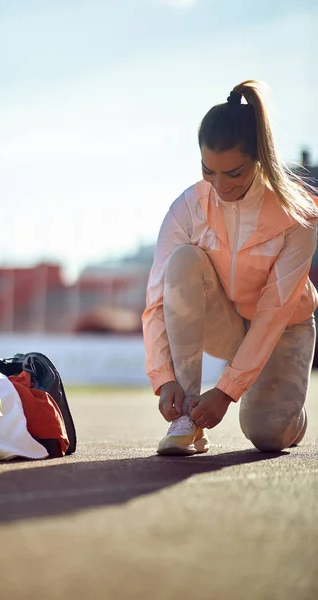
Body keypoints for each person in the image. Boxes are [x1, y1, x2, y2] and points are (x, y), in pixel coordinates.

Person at [142, 80, 318, 456]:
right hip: (229, 321)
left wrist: (226, 390)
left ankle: (291, 414)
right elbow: (157, 299)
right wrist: (164, 378)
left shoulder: (298, 215)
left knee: (268, 436)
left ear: (260, 158)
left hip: (284, 328)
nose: (219, 186)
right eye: (209, 171)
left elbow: (274, 313)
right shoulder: (187, 207)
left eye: (233, 174)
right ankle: (186, 422)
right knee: (183, 260)